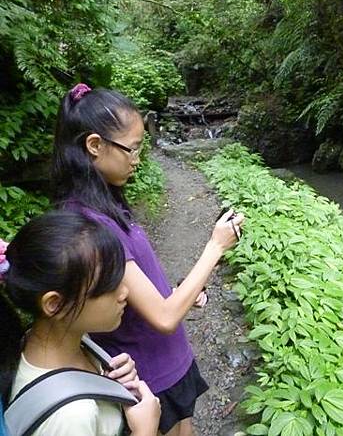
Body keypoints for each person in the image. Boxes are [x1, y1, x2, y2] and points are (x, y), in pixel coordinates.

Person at [53, 83, 244, 436]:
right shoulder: (89, 225)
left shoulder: (105, 205)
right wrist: (216, 246)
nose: (137, 159)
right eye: (133, 148)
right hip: (149, 381)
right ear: (95, 146)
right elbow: (164, 316)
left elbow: (143, 291)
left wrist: (183, 291)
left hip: (170, 365)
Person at [0, 210, 161, 436]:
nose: (124, 292)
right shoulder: (70, 418)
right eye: (109, 285)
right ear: (54, 304)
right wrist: (146, 430)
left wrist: (107, 383)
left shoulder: (42, 342)